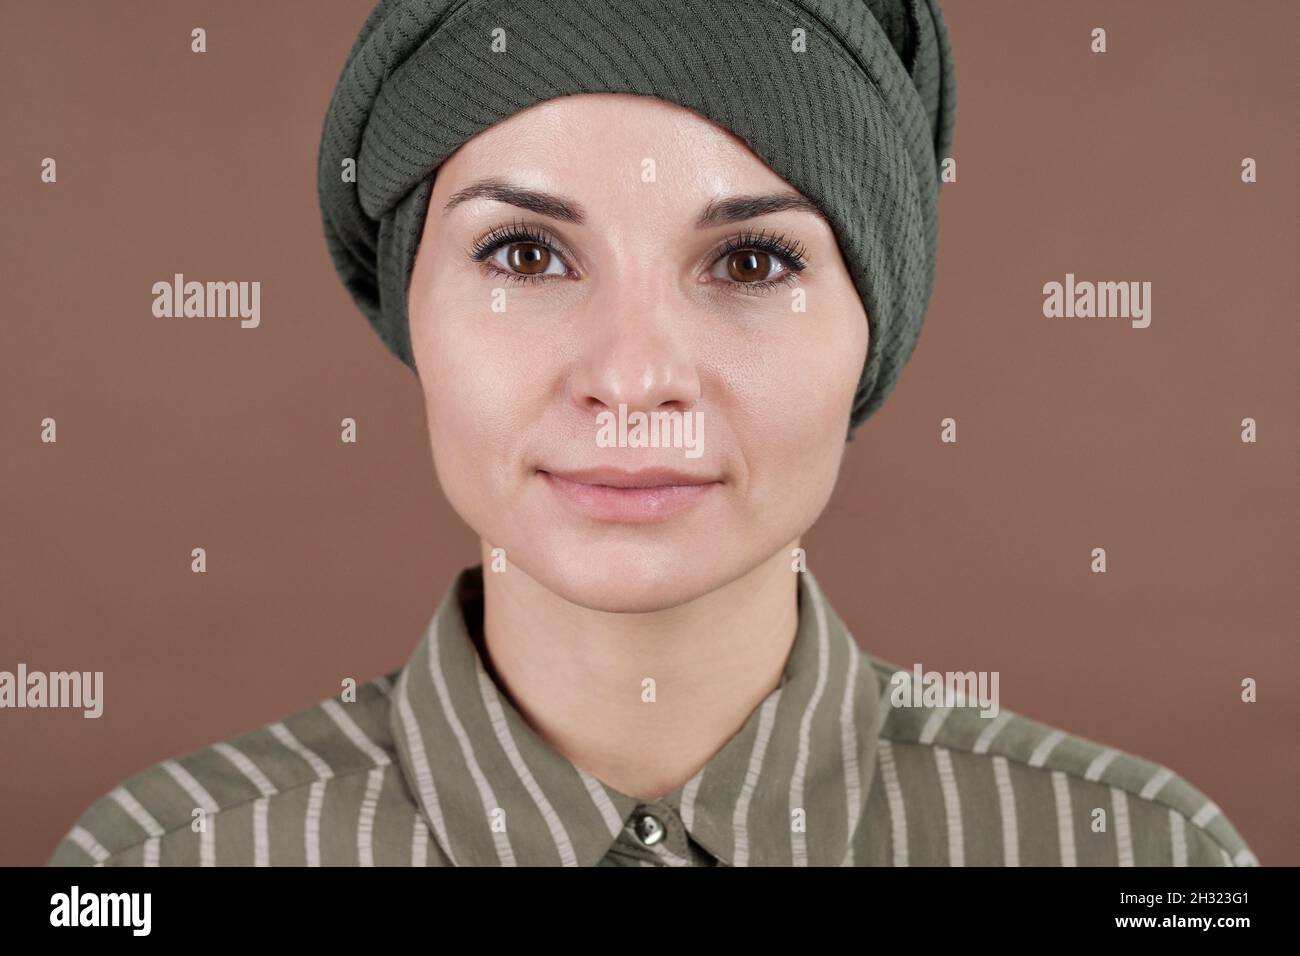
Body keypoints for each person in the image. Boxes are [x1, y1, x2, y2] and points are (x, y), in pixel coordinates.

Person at [48, 0, 1256, 867]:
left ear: (873, 327)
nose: (631, 377)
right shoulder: (148, 867)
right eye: (525, 253)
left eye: (750, 260)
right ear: (409, 301)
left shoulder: (1146, 859)